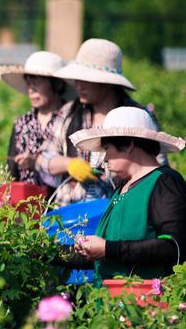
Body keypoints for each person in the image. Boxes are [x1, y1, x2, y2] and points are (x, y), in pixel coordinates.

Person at [35, 38, 166, 206]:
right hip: (68, 214)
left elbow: (156, 170)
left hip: (118, 211)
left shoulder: (136, 117)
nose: (78, 85)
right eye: (77, 78)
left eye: (86, 79)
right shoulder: (68, 113)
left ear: (108, 83)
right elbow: (43, 158)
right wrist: (70, 164)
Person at [68, 107, 186, 280]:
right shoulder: (123, 188)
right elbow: (107, 254)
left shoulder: (164, 182)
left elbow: (172, 247)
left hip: (143, 304)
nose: (105, 158)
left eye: (107, 148)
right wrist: (44, 251)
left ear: (129, 144)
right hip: (108, 302)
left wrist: (108, 249)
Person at [0, 51, 75, 184]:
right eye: (29, 83)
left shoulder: (72, 119)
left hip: (61, 200)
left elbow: (76, 166)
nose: (31, 89)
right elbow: (11, 173)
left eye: (36, 83)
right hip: (25, 201)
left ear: (56, 84)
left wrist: (38, 162)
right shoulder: (22, 124)